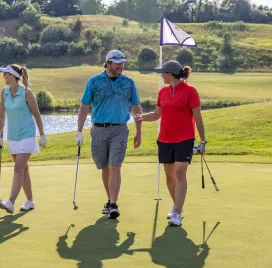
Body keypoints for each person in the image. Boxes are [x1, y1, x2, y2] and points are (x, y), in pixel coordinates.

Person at [134, 60, 206, 226]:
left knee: (180, 173)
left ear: (170, 74)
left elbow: (198, 117)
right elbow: (157, 114)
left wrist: (202, 140)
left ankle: (178, 213)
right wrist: (142, 117)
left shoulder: (190, 91)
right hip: (165, 139)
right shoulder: (163, 92)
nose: (161, 75)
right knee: (169, 175)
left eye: (163, 73)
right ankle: (176, 206)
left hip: (185, 139)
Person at [76, 49, 142, 219]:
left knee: (115, 166)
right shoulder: (94, 81)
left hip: (119, 129)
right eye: (117, 62)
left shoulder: (129, 83)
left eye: (123, 62)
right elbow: (84, 106)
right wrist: (79, 130)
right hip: (98, 129)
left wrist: (138, 132)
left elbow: (136, 108)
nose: (121, 65)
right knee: (104, 167)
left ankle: (113, 204)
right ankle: (109, 199)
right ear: (108, 63)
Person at [0, 64, 47, 214]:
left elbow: (36, 115)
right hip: (13, 137)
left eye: (5, 73)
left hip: (27, 136)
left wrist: (42, 134)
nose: (3, 76)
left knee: (18, 168)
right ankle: (30, 201)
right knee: (23, 168)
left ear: (12, 76)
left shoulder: (26, 93)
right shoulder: (4, 92)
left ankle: (10, 202)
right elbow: (1, 115)